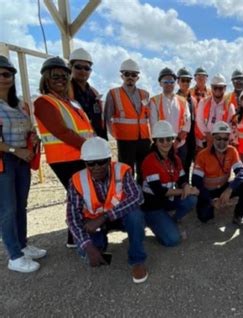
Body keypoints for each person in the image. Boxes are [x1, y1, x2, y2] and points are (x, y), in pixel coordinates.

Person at [67, 137, 148, 284]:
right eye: (91, 163)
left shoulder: (121, 170)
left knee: (136, 215)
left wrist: (105, 216)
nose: (96, 167)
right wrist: (88, 247)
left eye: (102, 162)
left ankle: (137, 259)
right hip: (94, 224)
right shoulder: (76, 180)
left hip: (119, 217)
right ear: (85, 163)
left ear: (109, 159)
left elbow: (137, 197)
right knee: (84, 251)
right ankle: (99, 245)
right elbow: (72, 217)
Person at [34, 56, 95, 248]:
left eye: (63, 76)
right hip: (65, 159)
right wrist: (89, 147)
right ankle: (77, 237)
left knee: (78, 197)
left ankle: (74, 235)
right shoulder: (44, 102)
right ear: (46, 79)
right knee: (78, 197)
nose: (60, 80)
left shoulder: (70, 102)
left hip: (81, 156)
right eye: (55, 77)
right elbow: (60, 131)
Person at [0, 56, 46, 273]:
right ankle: (14, 256)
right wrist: (14, 150)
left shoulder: (21, 105)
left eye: (6, 74)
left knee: (21, 205)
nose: (2, 78)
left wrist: (32, 138)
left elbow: (29, 129)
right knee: (7, 209)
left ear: (13, 78)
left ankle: (23, 245)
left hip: (22, 160)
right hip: (4, 161)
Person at [141, 121, 199, 244]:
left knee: (192, 198)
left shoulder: (175, 158)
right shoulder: (149, 161)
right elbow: (159, 191)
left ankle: (170, 220)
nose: (165, 143)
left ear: (173, 139)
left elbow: (182, 178)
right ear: (155, 141)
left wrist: (187, 186)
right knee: (173, 240)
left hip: (167, 201)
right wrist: (184, 191)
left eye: (168, 139)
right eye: (161, 140)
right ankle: (152, 221)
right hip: (152, 206)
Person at [192, 121, 243, 227]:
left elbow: (242, 173)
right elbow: (196, 182)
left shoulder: (232, 151)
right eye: (218, 138)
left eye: (225, 139)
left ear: (229, 139)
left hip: (224, 188)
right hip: (208, 191)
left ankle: (238, 215)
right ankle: (212, 204)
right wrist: (211, 201)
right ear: (212, 137)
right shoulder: (202, 155)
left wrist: (229, 189)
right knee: (205, 218)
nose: (222, 142)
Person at [104, 58, 150, 180]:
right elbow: (107, 117)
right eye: (127, 74)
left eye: (133, 74)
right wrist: (114, 134)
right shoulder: (113, 93)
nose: (130, 77)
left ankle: (143, 194)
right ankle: (129, 195)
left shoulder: (145, 94)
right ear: (122, 76)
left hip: (144, 139)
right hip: (125, 140)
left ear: (137, 78)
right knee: (126, 170)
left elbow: (148, 115)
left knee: (144, 170)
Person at [149, 67, 191, 167]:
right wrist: (167, 144)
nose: (169, 84)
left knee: (180, 173)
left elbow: (187, 124)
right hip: (162, 147)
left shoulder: (183, 101)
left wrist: (176, 143)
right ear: (160, 83)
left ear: (175, 83)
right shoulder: (154, 101)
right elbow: (154, 125)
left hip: (180, 145)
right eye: (165, 81)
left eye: (171, 81)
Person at [68, 48, 107, 139]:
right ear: (70, 68)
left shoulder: (93, 92)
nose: (83, 71)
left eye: (87, 68)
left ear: (90, 71)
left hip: (97, 139)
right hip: (77, 140)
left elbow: (99, 118)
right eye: (78, 67)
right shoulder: (66, 91)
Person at [195, 74, 236, 149]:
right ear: (211, 87)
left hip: (222, 144)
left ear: (225, 88)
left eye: (220, 88)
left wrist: (220, 139)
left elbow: (231, 125)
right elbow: (199, 121)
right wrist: (208, 136)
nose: (217, 90)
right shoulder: (203, 102)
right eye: (215, 87)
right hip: (204, 142)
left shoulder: (230, 106)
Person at [176, 67, 198, 179]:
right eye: (183, 80)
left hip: (192, 137)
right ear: (178, 81)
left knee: (189, 163)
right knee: (180, 165)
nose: (185, 83)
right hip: (181, 137)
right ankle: (180, 188)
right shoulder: (174, 99)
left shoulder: (193, 100)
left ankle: (187, 187)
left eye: (188, 81)